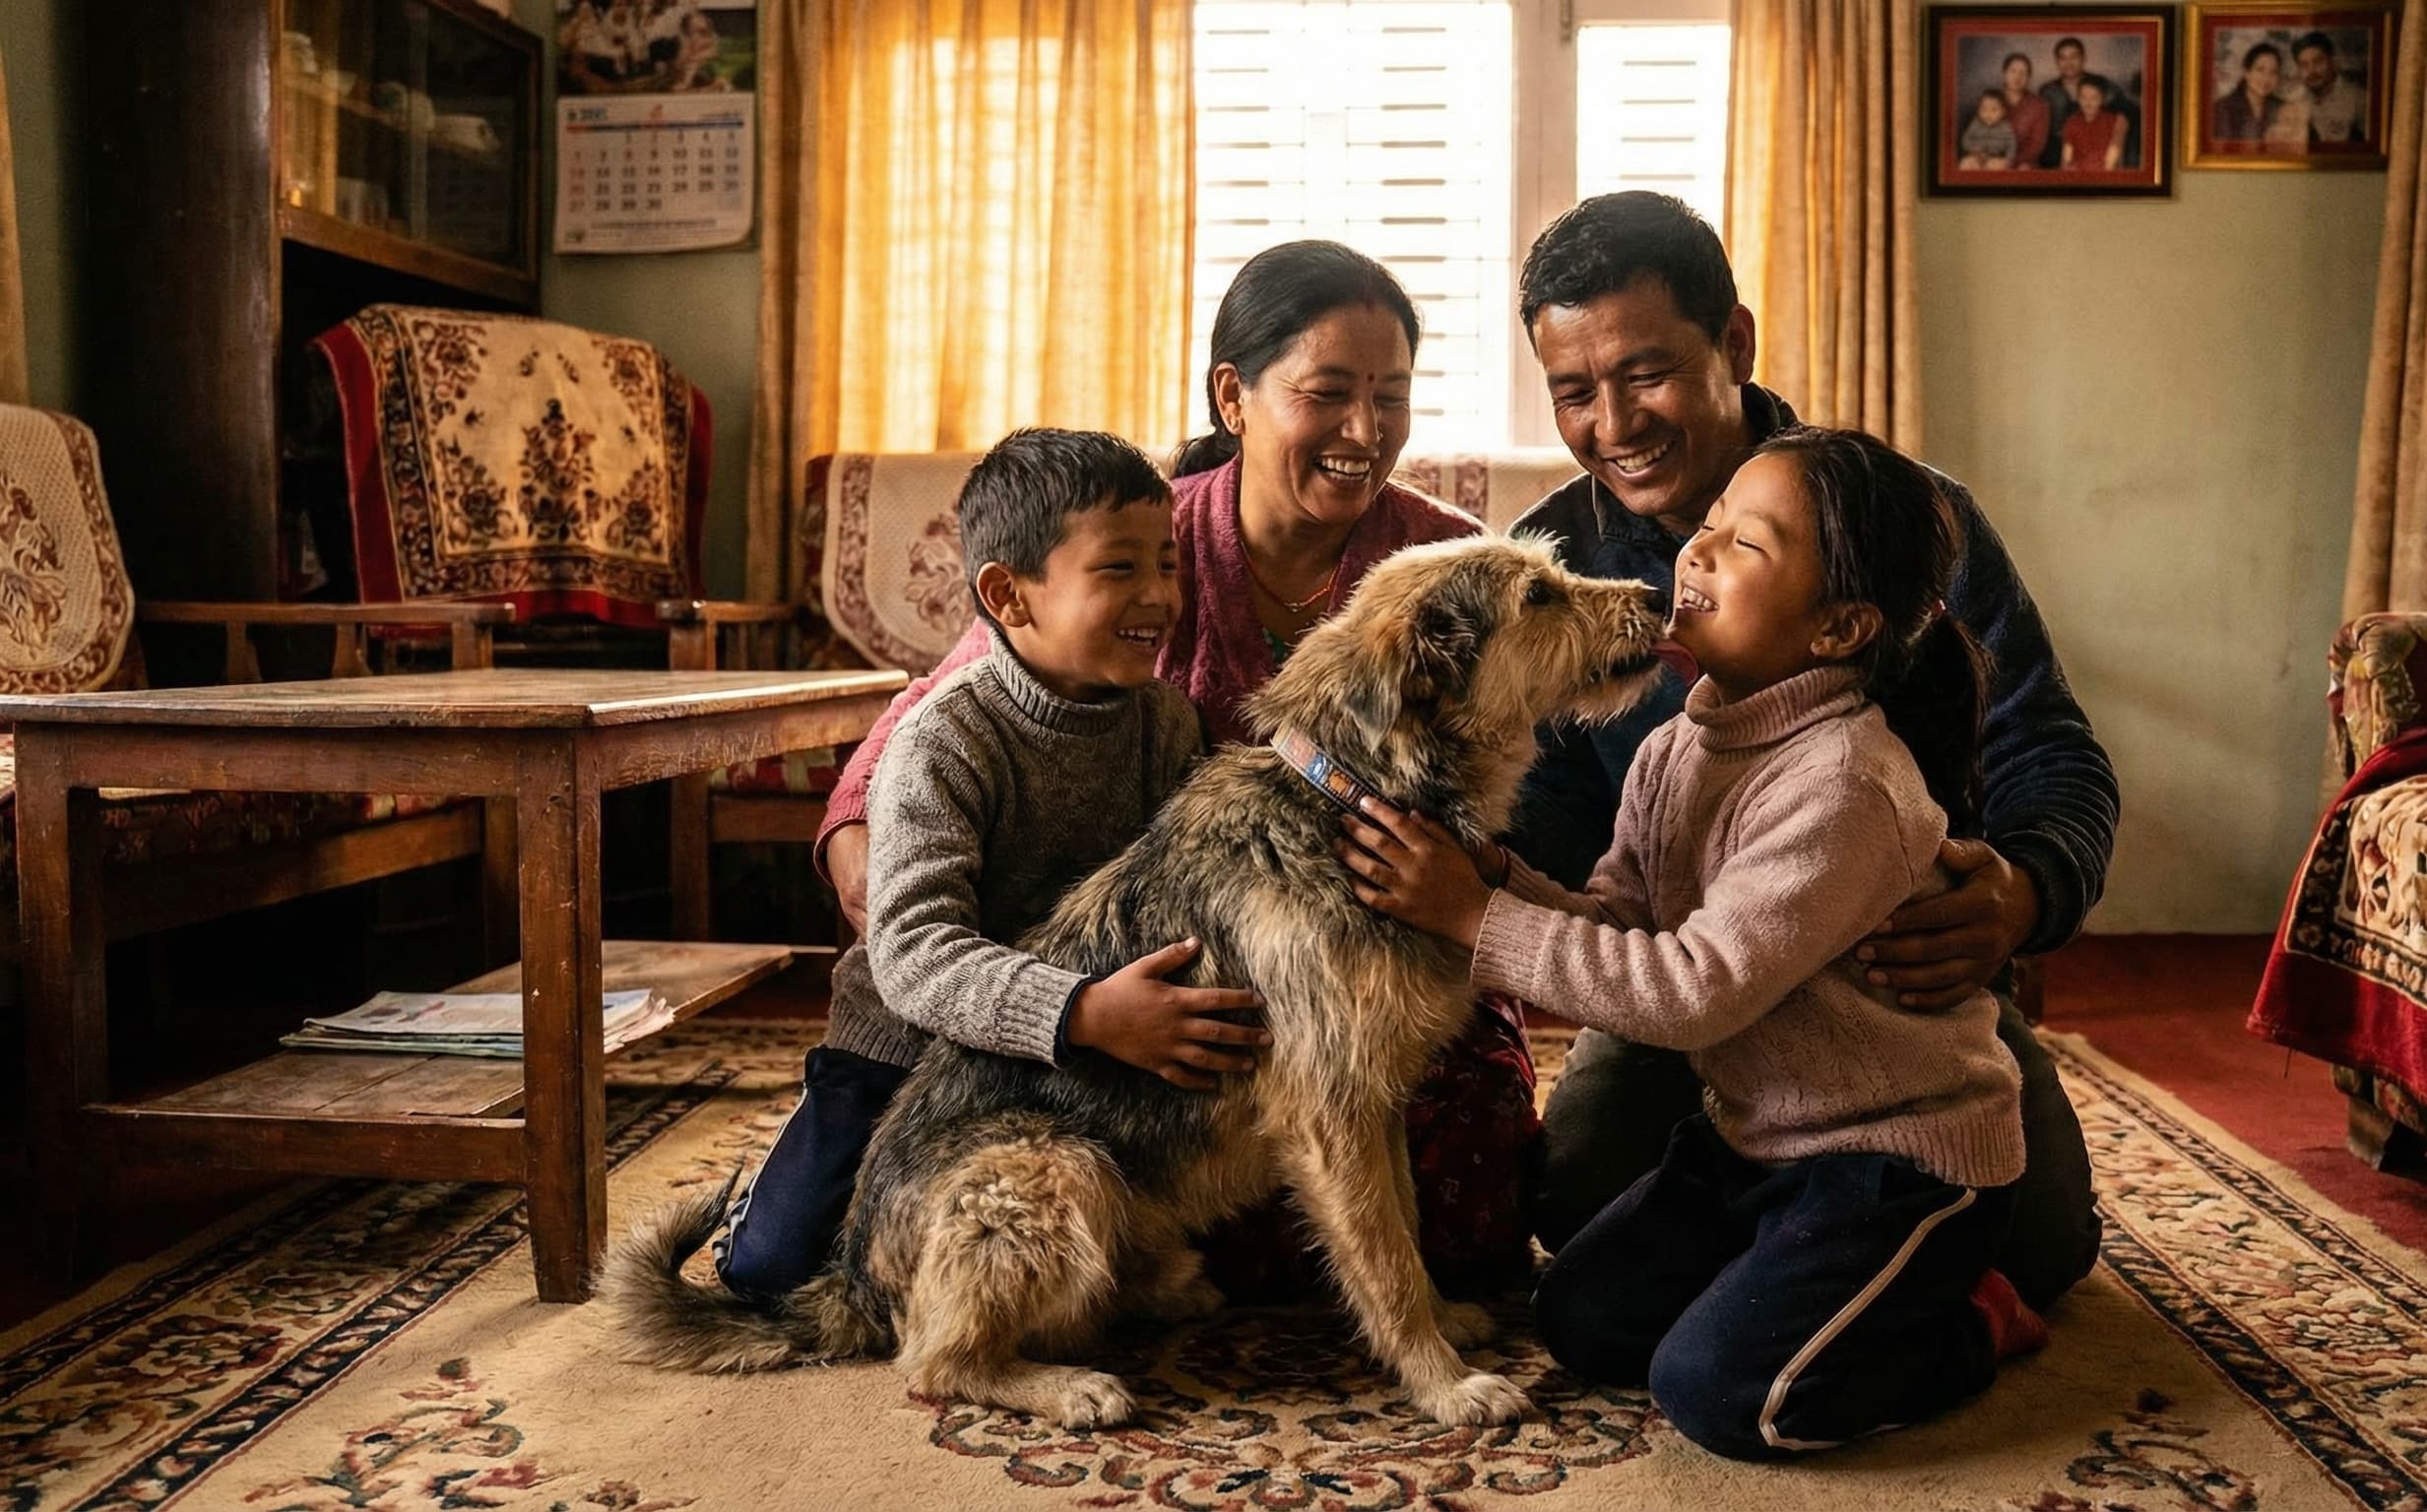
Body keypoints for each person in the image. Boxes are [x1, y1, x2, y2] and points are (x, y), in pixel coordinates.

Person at [814, 241, 1541, 1293]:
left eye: (1391, 396)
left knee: (1472, 1219)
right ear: (1234, 398)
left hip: (1390, 959)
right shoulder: (1147, 544)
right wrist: (855, 829)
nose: (1364, 430)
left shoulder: (1440, 568)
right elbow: (963, 689)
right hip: (1187, 988)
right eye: (1327, 393)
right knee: (840, 1250)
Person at [1339, 426, 2051, 1459]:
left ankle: (1971, 1316)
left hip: (1893, 1161)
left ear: (1839, 626)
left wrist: (1471, 918)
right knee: (1579, 1319)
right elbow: (1629, 933)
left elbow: (1689, 994)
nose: (1695, 552)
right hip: (1754, 1138)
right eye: (1707, 528)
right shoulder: (1679, 745)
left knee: (1729, 1397)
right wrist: (1505, 881)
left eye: (1744, 545)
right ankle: (1793, 1270)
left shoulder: (1844, 784)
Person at [1503, 192, 2119, 1313]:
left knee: (2040, 1247)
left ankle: (1829, 1242)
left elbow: (2051, 753)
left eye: (1644, 374)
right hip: (1682, 986)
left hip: (1891, 1010)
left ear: (1732, 342)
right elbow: (1539, 819)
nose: (1613, 424)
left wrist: (2022, 893)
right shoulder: (1548, 564)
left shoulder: (1904, 520)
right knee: (1570, 1203)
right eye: (1573, 393)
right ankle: (1779, 1217)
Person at [712, 428, 1273, 1301]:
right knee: (776, 1275)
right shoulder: (947, 739)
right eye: (1119, 570)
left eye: (1166, 565)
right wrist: (1081, 1010)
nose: (1160, 596)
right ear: (1008, 596)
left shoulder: (1164, 725)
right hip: (913, 1044)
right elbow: (913, 956)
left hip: (1081, 1054)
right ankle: (757, 1207)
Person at [2038, 37, 2139, 167]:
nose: (2068, 63)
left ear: (2084, 59)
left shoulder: (2102, 84)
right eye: (2063, 58)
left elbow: (2130, 110)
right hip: (2057, 151)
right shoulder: (2048, 91)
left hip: (2097, 150)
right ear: (2057, 62)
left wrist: (2119, 129)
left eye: (2074, 57)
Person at [2288, 32, 2367, 145]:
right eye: (2304, 65)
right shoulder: (2294, 102)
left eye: (2318, 61)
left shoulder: (2359, 100)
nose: (2311, 71)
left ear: (2332, 62)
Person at [2212, 42, 2292, 144]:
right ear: (2246, 73)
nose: (2266, 79)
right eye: (2260, 70)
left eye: (2273, 72)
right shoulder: (2223, 108)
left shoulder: (2283, 108)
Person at [2058, 78, 2130, 170]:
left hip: (2104, 176)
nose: (2088, 103)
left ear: (2103, 99)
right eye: (2083, 97)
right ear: (2078, 98)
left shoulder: (2117, 121)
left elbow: (2111, 163)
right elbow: (2066, 161)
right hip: (2077, 176)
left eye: (2094, 98)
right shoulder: (2071, 122)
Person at [1997, 53, 2053, 169]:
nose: (2017, 77)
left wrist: (2010, 162)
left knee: (2024, 169)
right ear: (2004, 73)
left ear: (2029, 77)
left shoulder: (2040, 105)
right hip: (1993, 158)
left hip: (2025, 161)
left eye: (2023, 73)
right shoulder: (1990, 100)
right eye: (2013, 71)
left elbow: (2037, 147)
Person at [1959, 91, 2020, 169]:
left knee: (1996, 167)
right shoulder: (1976, 124)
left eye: (1994, 110)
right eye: (1984, 109)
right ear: (1978, 110)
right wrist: (1972, 148)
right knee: (1965, 163)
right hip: (1976, 156)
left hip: (1995, 158)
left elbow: (2012, 145)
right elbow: (1966, 139)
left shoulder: (2005, 127)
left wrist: (2008, 160)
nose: (1988, 114)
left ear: (2003, 112)